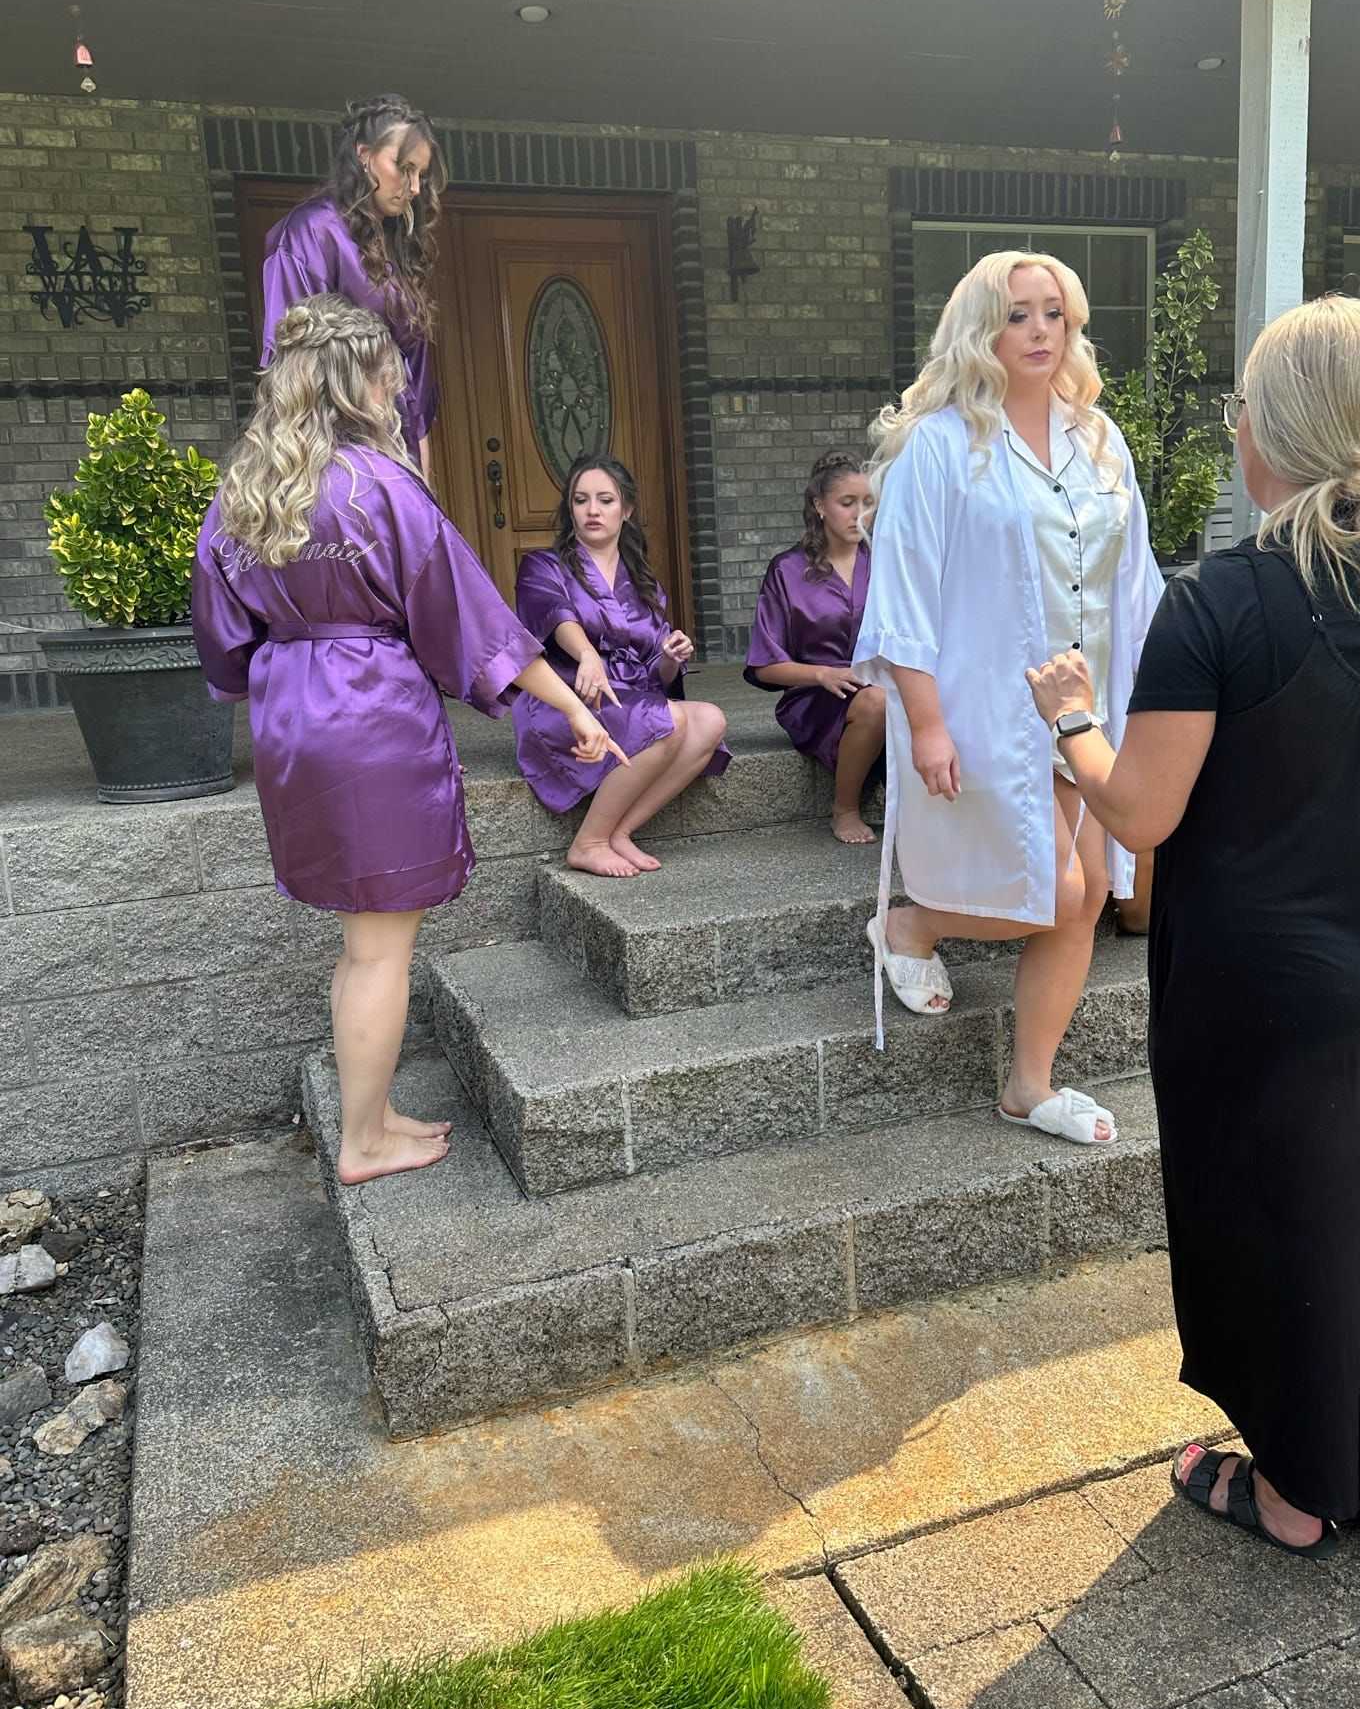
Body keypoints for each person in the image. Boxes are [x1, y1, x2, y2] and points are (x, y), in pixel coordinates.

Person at [1026, 295, 1360, 1581]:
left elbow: (1144, 813)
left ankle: (1297, 1493)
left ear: (1270, 434)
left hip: (1275, 986)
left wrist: (1071, 718)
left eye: (1243, 408)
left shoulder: (1224, 601)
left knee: (1285, 1222)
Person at [192, 295, 623, 1187]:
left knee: (362, 940)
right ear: (363, 384)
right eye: (393, 377)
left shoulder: (244, 492)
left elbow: (222, 641)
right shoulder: (383, 488)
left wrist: (277, 673)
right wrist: (575, 708)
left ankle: (369, 1111)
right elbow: (473, 623)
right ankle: (364, 1141)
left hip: (292, 719)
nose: (401, 392)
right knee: (383, 945)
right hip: (370, 717)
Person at [854, 250, 1164, 1144]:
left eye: (1053, 313)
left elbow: (1133, 581)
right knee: (1058, 888)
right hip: (986, 704)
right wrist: (927, 722)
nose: (1038, 331)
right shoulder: (940, 447)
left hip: (1089, 705)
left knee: (1093, 885)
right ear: (982, 327)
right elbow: (903, 593)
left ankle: (1029, 1085)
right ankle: (910, 921)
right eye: (1017, 314)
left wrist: (1150, 698)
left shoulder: (1101, 442)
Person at [513, 454, 730, 877]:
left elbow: (656, 678)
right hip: (566, 701)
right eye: (581, 500)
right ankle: (588, 842)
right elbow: (556, 615)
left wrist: (669, 658)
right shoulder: (543, 566)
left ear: (626, 510)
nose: (593, 510)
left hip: (632, 697)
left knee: (710, 720)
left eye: (605, 500)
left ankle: (620, 832)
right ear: (569, 509)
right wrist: (587, 654)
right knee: (669, 722)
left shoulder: (644, 583)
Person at [260, 94, 446, 478]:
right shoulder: (310, 233)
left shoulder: (395, 245)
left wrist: (422, 482)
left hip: (398, 452)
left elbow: (416, 382)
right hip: (337, 457)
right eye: (404, 168)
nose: (413, 187)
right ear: (364, 155)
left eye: (421, 175)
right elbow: (294, 363)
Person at [744, 449, 885, 844]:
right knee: (876, 704)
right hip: (815, 696)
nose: (860, 514)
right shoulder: (787, 570)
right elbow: (764, 665)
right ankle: (845, 808)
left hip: (884, 684)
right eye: (847, 503)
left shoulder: (888, 562)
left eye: (868, 503)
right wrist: (822, 674)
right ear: (819, 505)